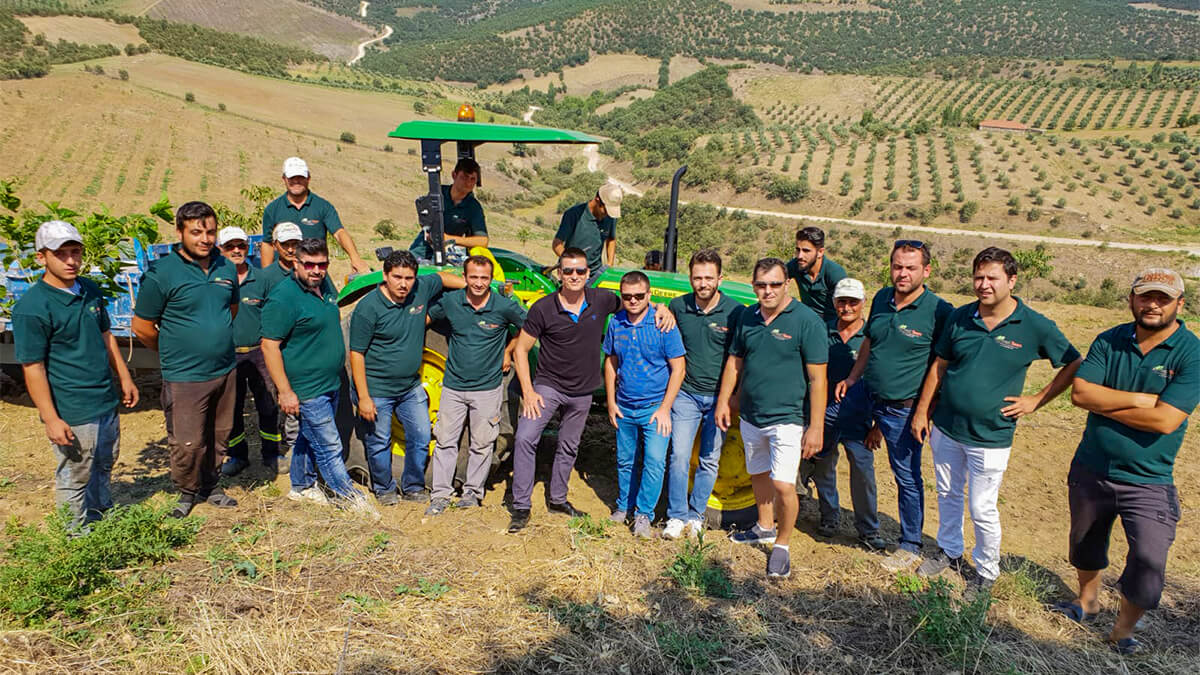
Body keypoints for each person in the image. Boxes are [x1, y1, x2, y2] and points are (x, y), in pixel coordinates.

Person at [910, 248, 1081, 593]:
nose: (984, 285)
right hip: (947, 427)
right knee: (947, 492)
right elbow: (939, 366)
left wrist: (1036, 400)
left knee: (982, 506)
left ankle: (987, 570)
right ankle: (949, 551)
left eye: (992, 278)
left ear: (1011, 280)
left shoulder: (1033, 325)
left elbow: (1073, 362)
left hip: (991, 435)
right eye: (978, 277)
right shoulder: (960, 318)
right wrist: (922, 411)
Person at [1055, 268, 1197, 655]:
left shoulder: (1191, 352)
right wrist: (1141, 400)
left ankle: (1122, 631)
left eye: (1162, 298)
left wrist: (1109, 402)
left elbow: (1167, 421)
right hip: (1091, 466)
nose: (1152, 304)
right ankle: (1087, 600)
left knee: (1149, 560)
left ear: (1179, 305)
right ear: (1131, 300)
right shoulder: (1109, 340)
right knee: (1085, 543)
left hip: (1149, 478)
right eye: (1145, 296)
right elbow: (1081, 394)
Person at [507, 247, 674, 533]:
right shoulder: (543, 307)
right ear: (559, 273)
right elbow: (521, 350)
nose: (574, 276)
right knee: (525, 437)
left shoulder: (601, 299)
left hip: (582, 391)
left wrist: (662, 307)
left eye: (580, 271)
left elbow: (635, 302)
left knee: (569, 446)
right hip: (548, 386)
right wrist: (529, 390)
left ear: (587, 274)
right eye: (568, 270)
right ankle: (521, 505)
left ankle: (557, 499)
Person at [13, 221, 138, 529]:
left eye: (76, 252)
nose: (71, 261)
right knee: (75, 473)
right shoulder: (33, 308)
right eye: (61, 254)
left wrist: (124, 376)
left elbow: (106, 335)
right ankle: (75, 538)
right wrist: (51, 418)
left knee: (104, 463)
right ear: (41, 257)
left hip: (104, 399)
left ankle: (101, 518)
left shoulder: (89, 290)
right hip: (73, 408)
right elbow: (33, 367)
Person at [838, 240, 953, 571]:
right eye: (897, 267)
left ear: (926, 271)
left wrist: (922, 412)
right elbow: (870, 344)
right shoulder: (882, 300)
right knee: (828, 428)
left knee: (906, 474)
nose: (902, 274)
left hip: (904, 408)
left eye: (910, 268)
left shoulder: (939, 311)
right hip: (869, 396)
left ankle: (911, 544)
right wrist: (851, 379)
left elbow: (940, 367)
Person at [716, 257, 828, 579]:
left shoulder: (807, 321)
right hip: (751, 415)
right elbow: (734, 363)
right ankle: (764, 526)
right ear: (753, 286)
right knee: (759, 474)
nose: (768, 291)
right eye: (761, 285)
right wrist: (725, 400)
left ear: (787, 284)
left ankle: (782, 545)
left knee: (783, 484)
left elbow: (818, 379)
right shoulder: (747, 317)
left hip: (788, 418)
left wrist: (816, 426)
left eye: (775, 284)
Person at [133, 202, 240, 518]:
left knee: (219, 434)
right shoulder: (162, 274)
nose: (205, 239)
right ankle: (187, 491)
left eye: (210, 231)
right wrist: (174, 351)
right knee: (188, 442)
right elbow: (142, 327)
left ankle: (211, 485)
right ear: (179, 232)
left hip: (224, 369)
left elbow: (229, 310)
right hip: (185, 375)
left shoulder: (226, 267)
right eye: (196, 232)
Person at [261, 237, 375, 516]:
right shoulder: (283, 297)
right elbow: (269, 345)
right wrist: (285, 391)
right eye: (309, 264)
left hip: (330, 381)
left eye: (322, 264)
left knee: (308, 435)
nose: (316, 270)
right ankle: (347, 496)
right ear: (295, 263)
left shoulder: (323, 285)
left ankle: (300, 486)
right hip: (306, 387)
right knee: (329, 443)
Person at [348, 250, 464, 505]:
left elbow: (442, 278)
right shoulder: (368, 309)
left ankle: (412, 486)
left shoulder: (419, 290)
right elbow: (356, 354)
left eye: (409, 278)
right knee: (379, 442)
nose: (403, 284)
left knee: (421, 437)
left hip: (411, 387)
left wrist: (472, 283)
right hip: (378, 389)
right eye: (397, 277)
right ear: (385, 276)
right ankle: (384, 488)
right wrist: (364, 397)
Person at [424, 255, 525, 515]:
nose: (479, 283)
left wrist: (509, 351)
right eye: (474, 277)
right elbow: (425, 319)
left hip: (487, 388)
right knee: (446, 441)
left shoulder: (503, 306)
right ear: (465, 278)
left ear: (491, 280)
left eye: (484, 278)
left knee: (482, 443)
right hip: (453, 387)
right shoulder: (451, 302)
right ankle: (440, 495)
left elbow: (528, 327)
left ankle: (472, 493)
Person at [799, 277, 886, 550]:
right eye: (841, 301)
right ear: (834, 303)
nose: (846, 307)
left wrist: (878, 425)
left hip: (859, 418)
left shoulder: (872, 338)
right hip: (823, 417)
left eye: (853, 302)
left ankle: (868, 530)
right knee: (824, 469)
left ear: (863, 303)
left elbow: (885, 381)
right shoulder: (821, 331)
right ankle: (829, 516)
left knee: (863, 474)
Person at [663, 248, 744, 540]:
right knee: (679, 456)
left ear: (720, 278)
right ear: (690, 278)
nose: (703, 284)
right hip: (686, 394)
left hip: (718, 398)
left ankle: (696, 516)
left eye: (709, 277)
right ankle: (676, 515)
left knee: (710, 458)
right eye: (697, 278)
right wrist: (661, 308)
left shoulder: (736, 312)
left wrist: (733, 397)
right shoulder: (678, 306)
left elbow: (741, 357)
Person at [603, 271, 687, 538]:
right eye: (627, 297)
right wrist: (610, 401)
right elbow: (611, 362)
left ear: (649, 295)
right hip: (625, 406)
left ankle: (643, 514)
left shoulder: (663, 324)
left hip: (654, 407)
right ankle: (623, 506)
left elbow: (678, 368)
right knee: (625, 460)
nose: (633, 301)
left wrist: (664, 408)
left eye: (639, 296)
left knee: (653, 461)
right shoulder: (616, 323)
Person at [216, 226, 283, 478]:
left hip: (259, 353)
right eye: (230, 246)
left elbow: (274, 314)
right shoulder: (214, 280)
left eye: (241, 245)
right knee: (231, 409)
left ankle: (271, 454)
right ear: (220, 250)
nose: (236, 250)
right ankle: (238, 456)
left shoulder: (262, 280)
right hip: (227, 354)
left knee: (268, 405)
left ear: (248, 247)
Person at [260, 156, 370, 274]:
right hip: (284, 273)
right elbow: (267, 244)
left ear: (308, 178)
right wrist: (266, 276)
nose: (296, 181)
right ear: (284, 179)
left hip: (316, 272)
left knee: (332, 293)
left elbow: (339, 233)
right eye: (292, 178)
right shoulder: (273, 209)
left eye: (301, 177)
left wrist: (355, 258)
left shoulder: (323, 206)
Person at [409, 158, 488, 261]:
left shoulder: (473, 207)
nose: (468, 183)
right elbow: (425, 219)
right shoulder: (437, 194)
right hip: (425, 245)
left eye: (472, 179)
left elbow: (483, 241)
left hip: (450, 250)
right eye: (464, 177)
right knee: (407, 263)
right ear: (454, 175)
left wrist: (449, 238)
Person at [552, 183, 622, 281]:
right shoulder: (574, 215)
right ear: (598, 201)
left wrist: (610, 264)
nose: (607, 214)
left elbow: (611, 239)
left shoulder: (610, 217)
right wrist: (572, 263)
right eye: (606, 210)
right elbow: (557, 244)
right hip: (572, 274)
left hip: (595, 274)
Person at [786, 226, 847, 322]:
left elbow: (848, 307)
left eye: (806, 251)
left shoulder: (834, 273)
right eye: (798, 250)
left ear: (820, 252)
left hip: (832, 323)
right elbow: (776, 278)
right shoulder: (797, 264)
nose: (800, 256)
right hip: (806, 319)